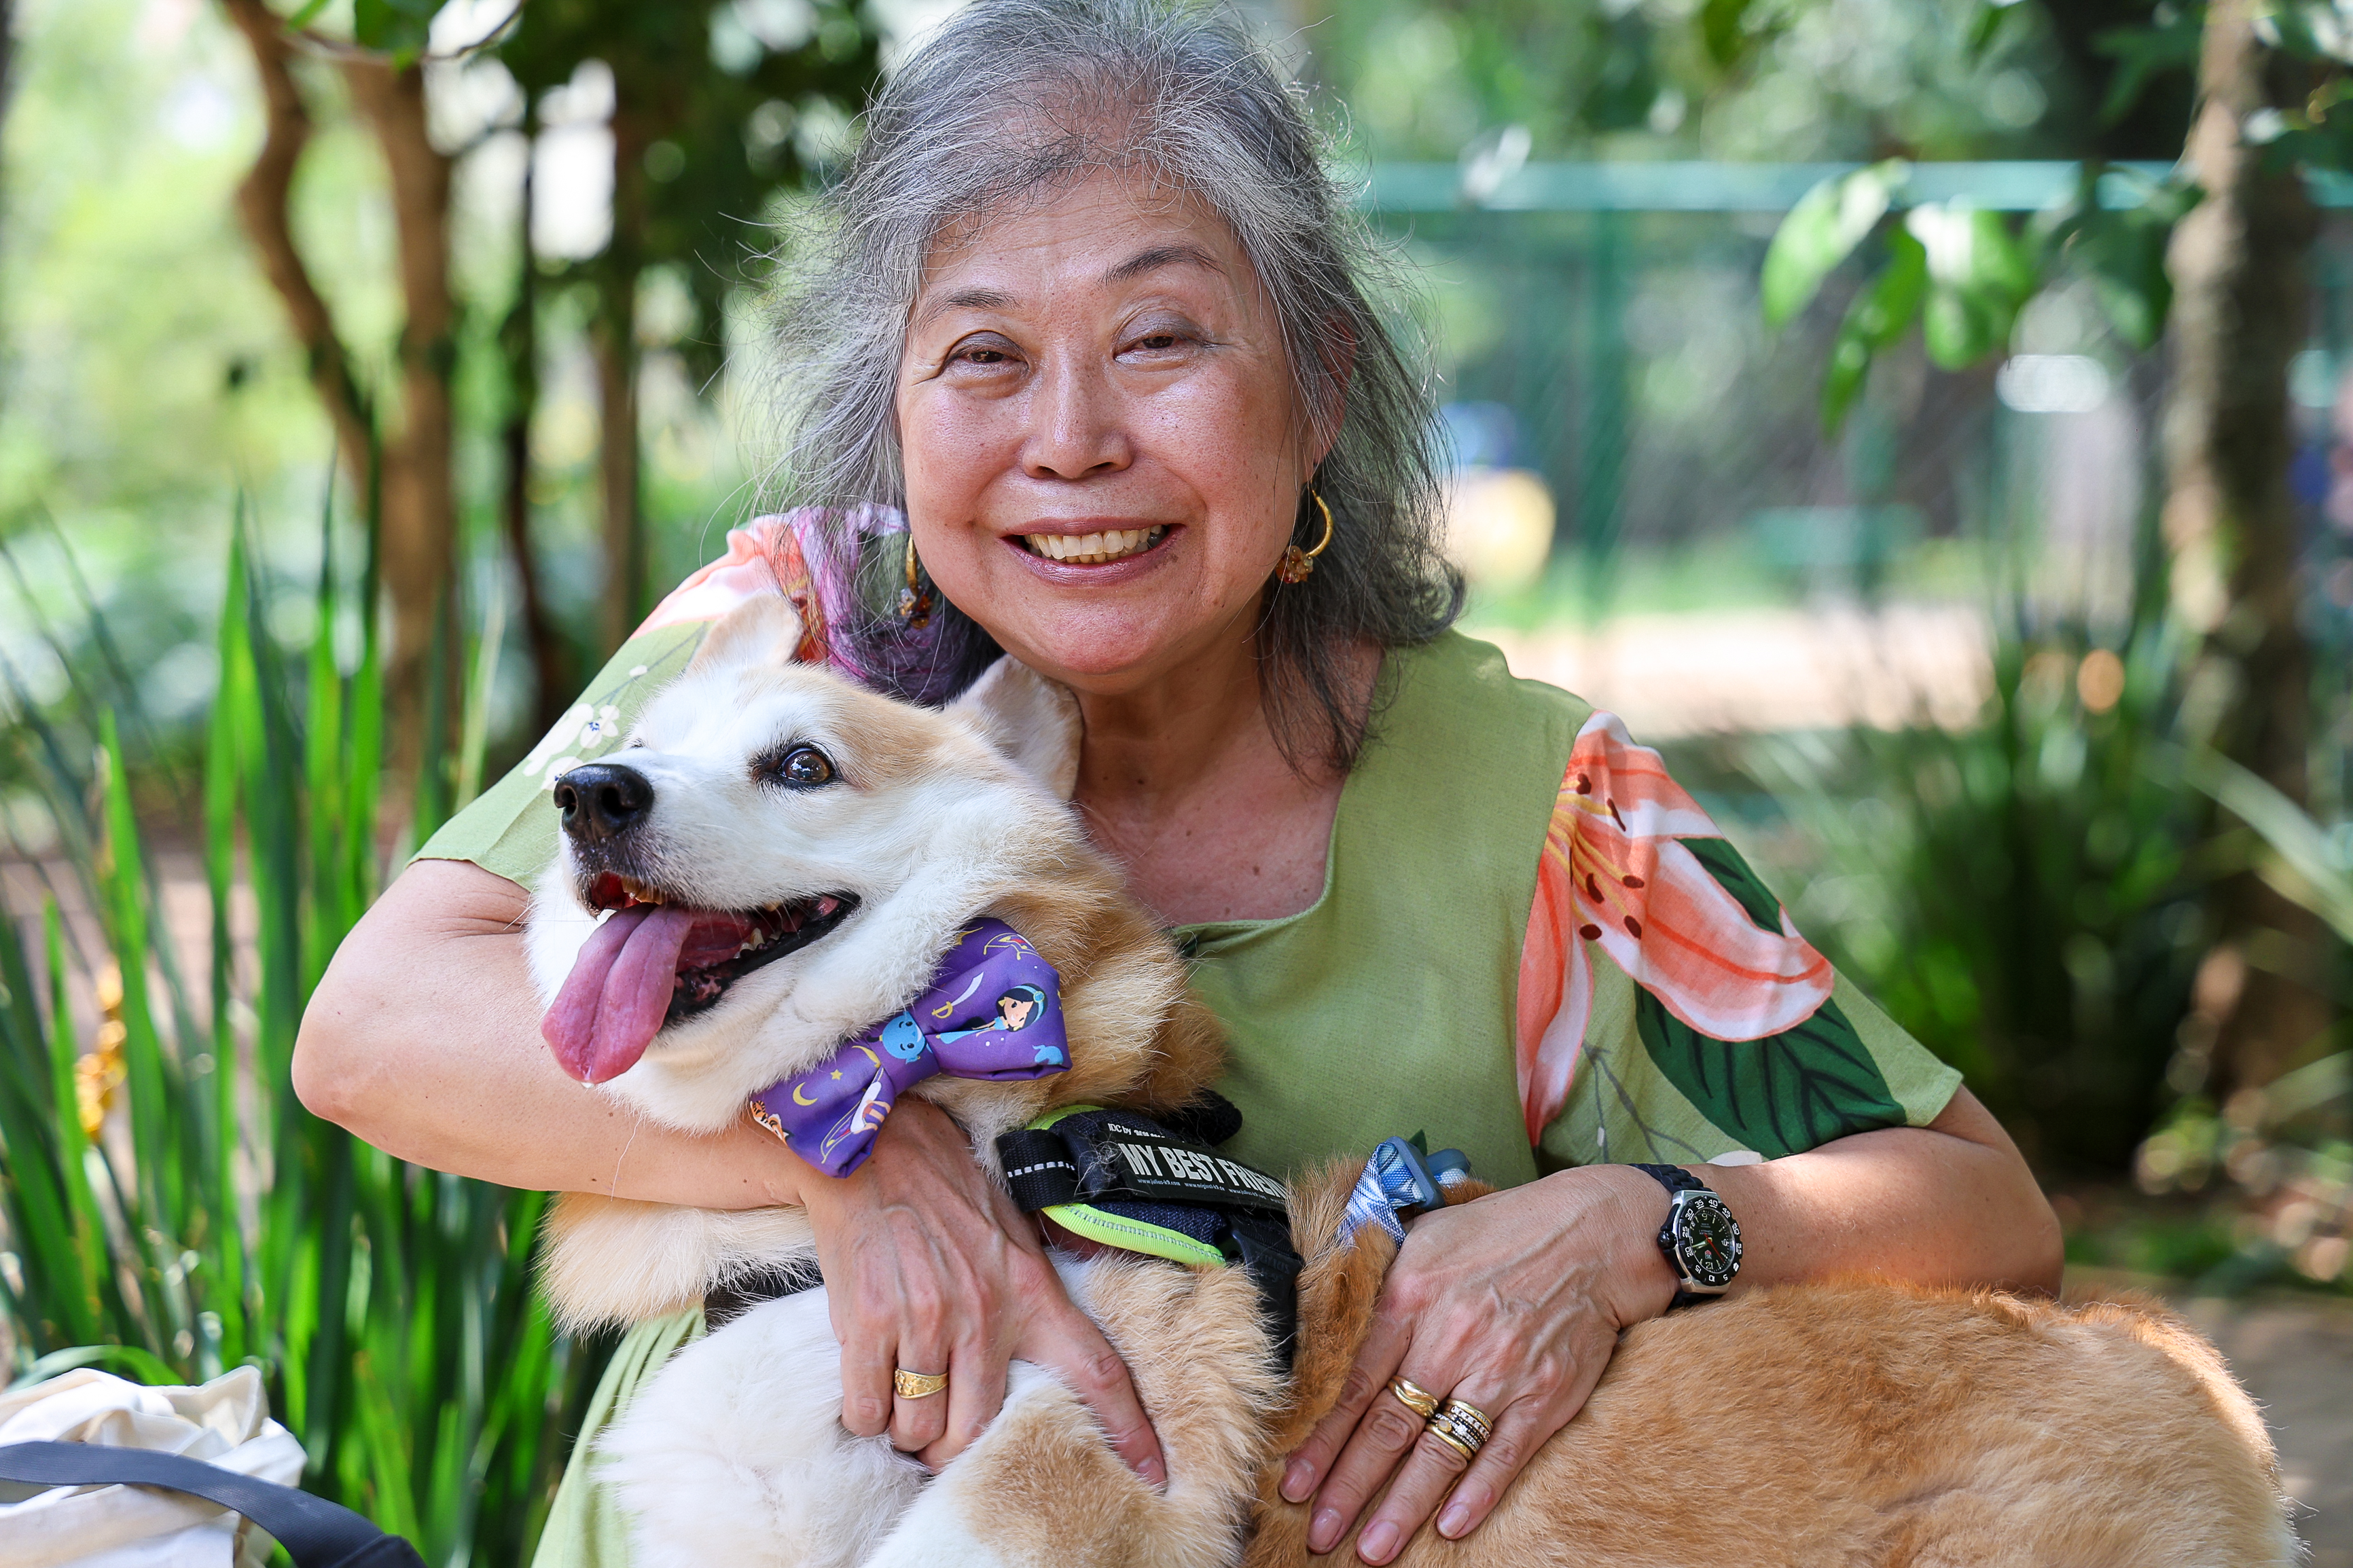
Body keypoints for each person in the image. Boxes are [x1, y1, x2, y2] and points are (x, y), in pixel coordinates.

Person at [292, 3, 2063, 1563]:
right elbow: (373, 1030)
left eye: (1161, 339)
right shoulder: (792, 643)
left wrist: (1642, 1222)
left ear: (1319, 388)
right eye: (982, 354)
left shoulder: (1546, 810)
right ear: (895, 406)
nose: (1071, 441)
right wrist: (847, 1151)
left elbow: (1986, 1208)